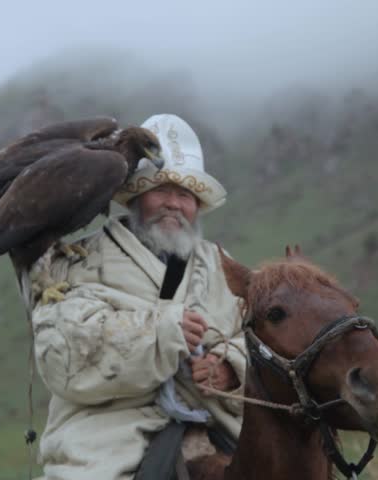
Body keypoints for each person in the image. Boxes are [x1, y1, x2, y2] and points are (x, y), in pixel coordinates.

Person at [30, 113, 246, 480]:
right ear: (136, 197)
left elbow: (263, 341)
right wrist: (160, 333)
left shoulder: (226, 269)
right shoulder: (79, 263)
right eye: (160, 190)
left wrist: (231, 368)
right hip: (107, 442)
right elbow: (60, 353)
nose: (173, 204)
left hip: (216, 430)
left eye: (186, 194)